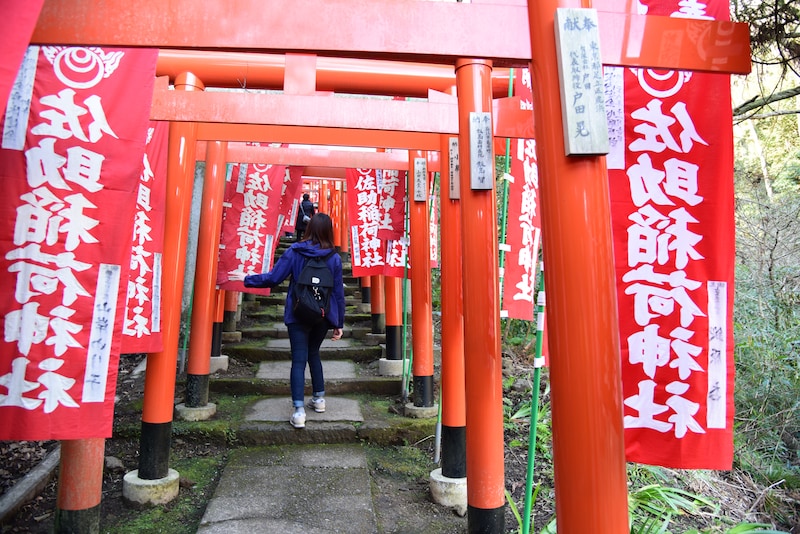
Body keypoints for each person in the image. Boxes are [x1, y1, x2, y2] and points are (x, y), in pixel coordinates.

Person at [228, 213, 345, 429]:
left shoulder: (295, 251)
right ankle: (319, 400)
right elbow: (338, 292)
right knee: (314, 354)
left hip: (298, 313)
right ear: (330, 231)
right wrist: (338, 322)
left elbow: (273, 278)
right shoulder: (334, 258)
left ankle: (299, 412)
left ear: (309, 230)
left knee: (299, 359)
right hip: (322, 316)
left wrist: (245, 279)